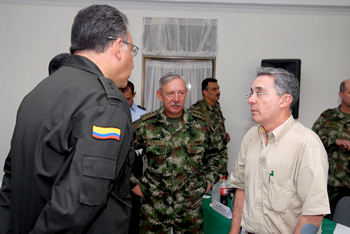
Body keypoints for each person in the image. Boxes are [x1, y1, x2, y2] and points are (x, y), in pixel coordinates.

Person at [0, 4, 137, 233]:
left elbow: (11, 182)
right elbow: (79, 204)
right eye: (132, 51)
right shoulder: (105, 102)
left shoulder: (38, 93)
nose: (132, 62)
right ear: (117, 46)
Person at [229, 67, 330, 234]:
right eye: (251, 93)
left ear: (284, 101)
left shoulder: (307, 144)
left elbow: (313, 215)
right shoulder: (251, 136)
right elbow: (241, 189)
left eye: (259, 93)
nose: (251, 100)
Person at [130, 72, 227, 233]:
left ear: (186, 94)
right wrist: (133, 184)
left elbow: (219, 154)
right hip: (154, 210)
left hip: (190, 211)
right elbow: (119, 154)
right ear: (160, 95)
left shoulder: (200, 124)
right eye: (170, 93)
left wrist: (207, 183)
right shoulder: (145, 125)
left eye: (180, 93)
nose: (176, 98)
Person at [312, 79, 350, 219]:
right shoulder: (327, 117)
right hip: (329, 183)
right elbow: (311, 142)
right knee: (323, 222)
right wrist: (335, 141)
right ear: (341, 95)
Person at [120, 80, 147, 234]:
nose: (125, 102)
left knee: (135, 201)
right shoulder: (112, 111)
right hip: (117, 162)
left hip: (135, 162)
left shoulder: (143, 115)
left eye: (129, 99)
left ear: (134, 95)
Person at [190, 78, 230, 145]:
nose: (218, 92)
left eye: (218, 89)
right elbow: (192, 136)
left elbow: (214, 128)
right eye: (214, 89)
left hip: (220, 153)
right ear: (205, 92)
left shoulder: (217, 106)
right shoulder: (197, 109)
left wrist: (223, 135)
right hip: (206, 154)